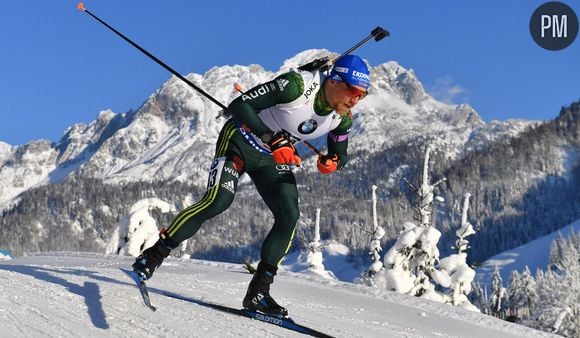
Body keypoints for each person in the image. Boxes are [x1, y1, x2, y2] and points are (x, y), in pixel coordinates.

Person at [132, 54, 371, 317]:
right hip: (239, 141)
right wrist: (273, 139)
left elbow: (340, 151)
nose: (355, 99)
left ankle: (259, 292)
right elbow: (239, 105)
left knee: (288, 214)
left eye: (362, 95)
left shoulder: (342, 117)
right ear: (333, 81)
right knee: (218, 201)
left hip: (270, 159)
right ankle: (152, 256)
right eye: (352, 91)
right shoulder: (297, 86)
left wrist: (334, 161)